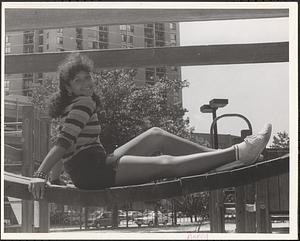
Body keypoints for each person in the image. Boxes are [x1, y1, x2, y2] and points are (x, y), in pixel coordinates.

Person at [28, 53, 272, 199]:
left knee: (156, 135)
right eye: (77, 81)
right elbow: (63, 143)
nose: (85, 83)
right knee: (164, 163)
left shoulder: (79, 104)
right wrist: (40, 175)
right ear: (68, 88)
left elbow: (67, 146)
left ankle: (223, 160)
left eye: (88, 77)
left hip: (97, 163)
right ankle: (238, 152)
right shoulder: (81, 104)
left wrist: (56, 177)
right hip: (94, 172)